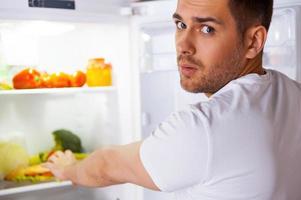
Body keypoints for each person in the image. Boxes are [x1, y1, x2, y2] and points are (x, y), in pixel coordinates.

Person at [44, 0, 301, 199]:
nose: (183, 45)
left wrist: (69, 170)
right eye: (180, 25)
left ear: (253, 41)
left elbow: (107, 165)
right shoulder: (294, 92)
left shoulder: (203, 127)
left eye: (207, 29)